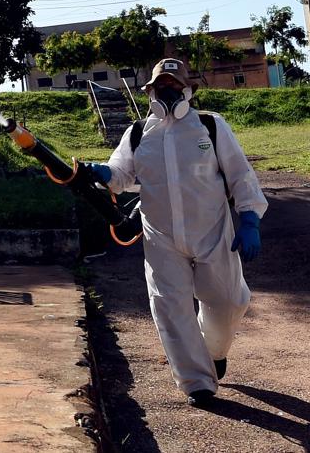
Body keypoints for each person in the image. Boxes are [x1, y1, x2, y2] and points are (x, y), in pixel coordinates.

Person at [87, 58, 266, 407]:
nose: (167, 90)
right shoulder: (139, 132)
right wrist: (105, 174)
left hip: (212, 231)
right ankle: (197, 383)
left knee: (229, 300)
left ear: (188, 90)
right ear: (150, 92)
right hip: (161, 237)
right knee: (170, 308)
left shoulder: (210, 126)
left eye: (174, 84)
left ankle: (213, 351)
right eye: (161, 85)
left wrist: (249, 220)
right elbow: (121, 174)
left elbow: (240, 175)